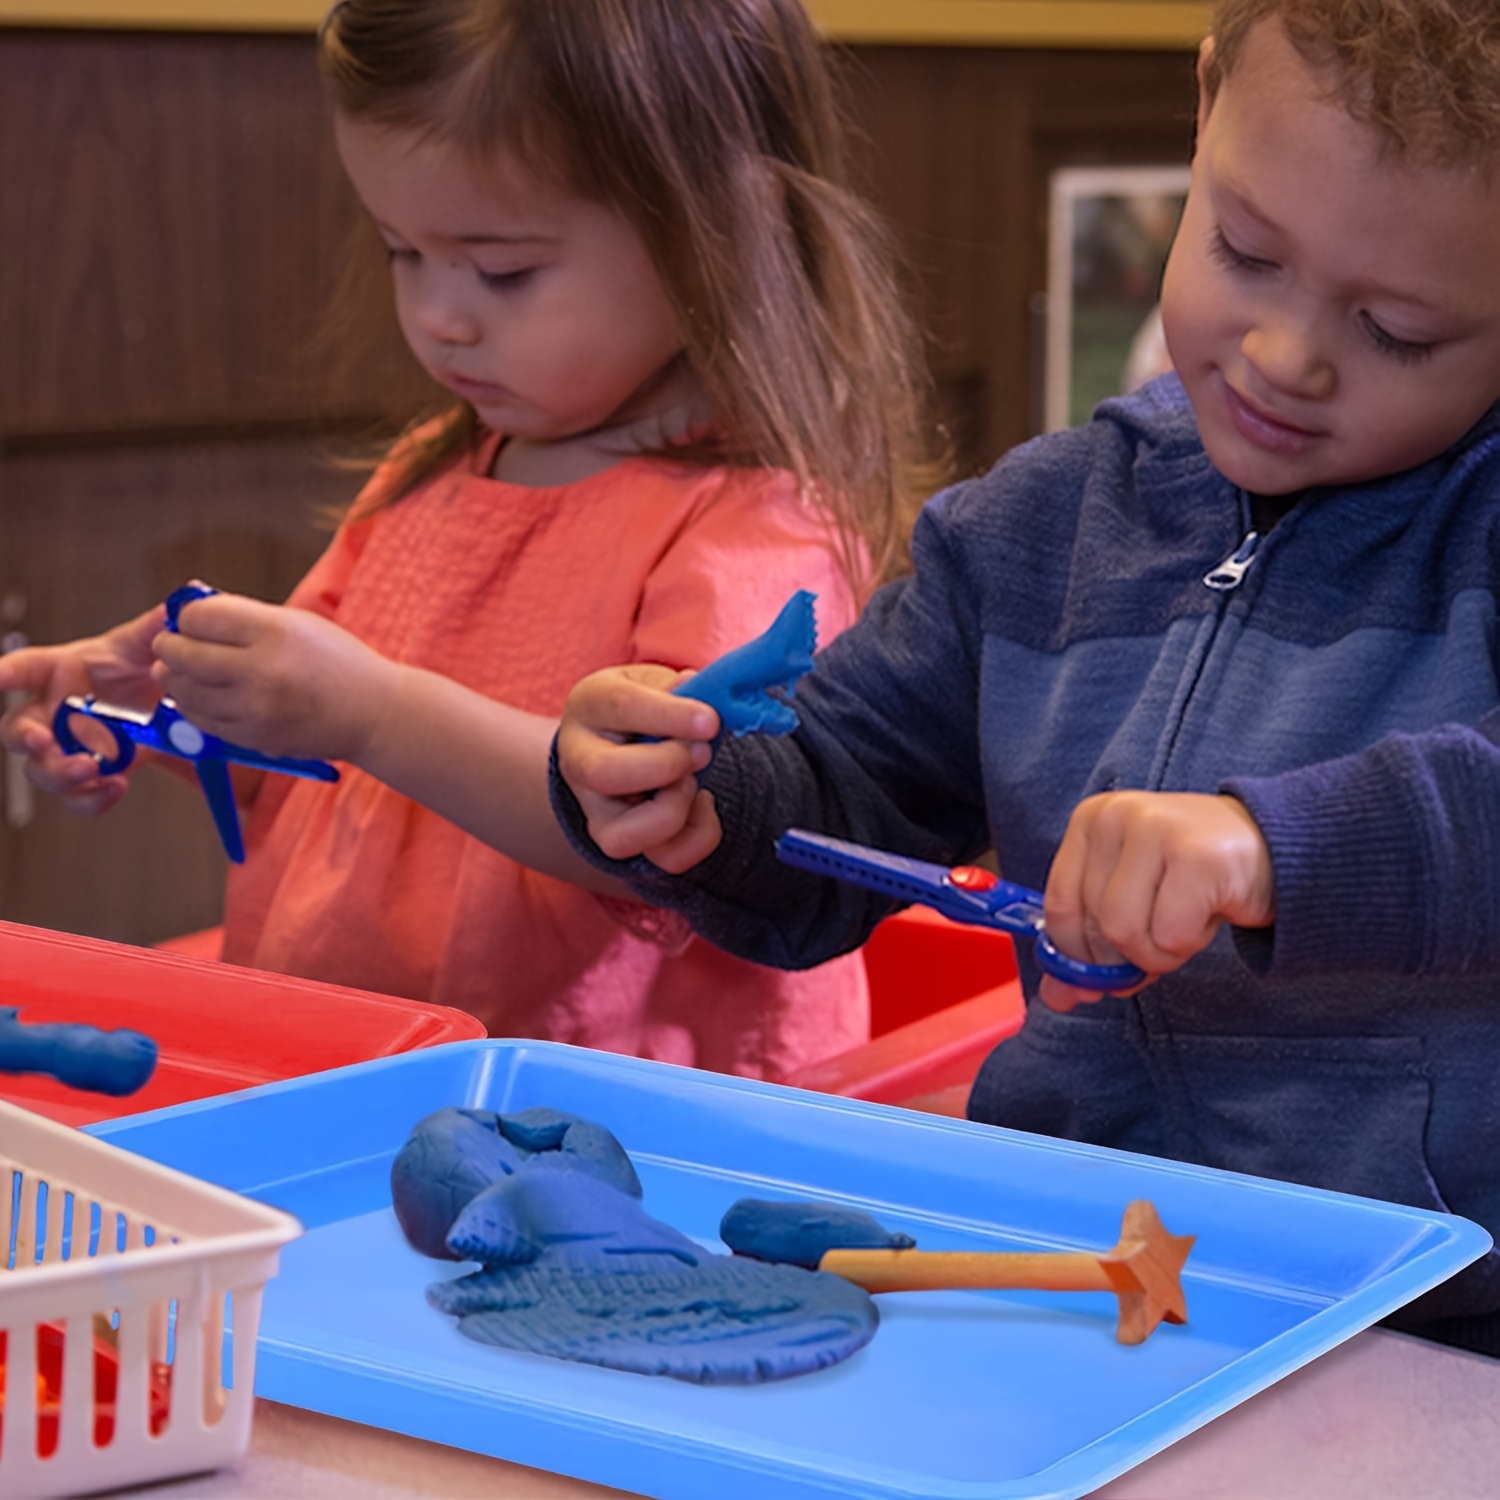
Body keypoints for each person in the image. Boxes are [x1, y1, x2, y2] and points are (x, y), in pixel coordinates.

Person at [552, 0, 1500, 1352]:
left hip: (1430, 1326)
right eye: (1244, 250)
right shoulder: (1037, 532)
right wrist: (703, 800)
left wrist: (1267, 848)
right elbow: (843, 793)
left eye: (1400, 329)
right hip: (1065, 1280)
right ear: (1206, 103)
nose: (1286, 356)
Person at [0, 0, 941, 1082]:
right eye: (404, 251)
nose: (441, 314)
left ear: (718, 234)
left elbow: (670, 831)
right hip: (361, 1074)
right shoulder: (424, 475)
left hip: (614, 1146)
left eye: (501, 271)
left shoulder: (750, 528)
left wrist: (374, 707)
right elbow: (314, 780)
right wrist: (161, 706)